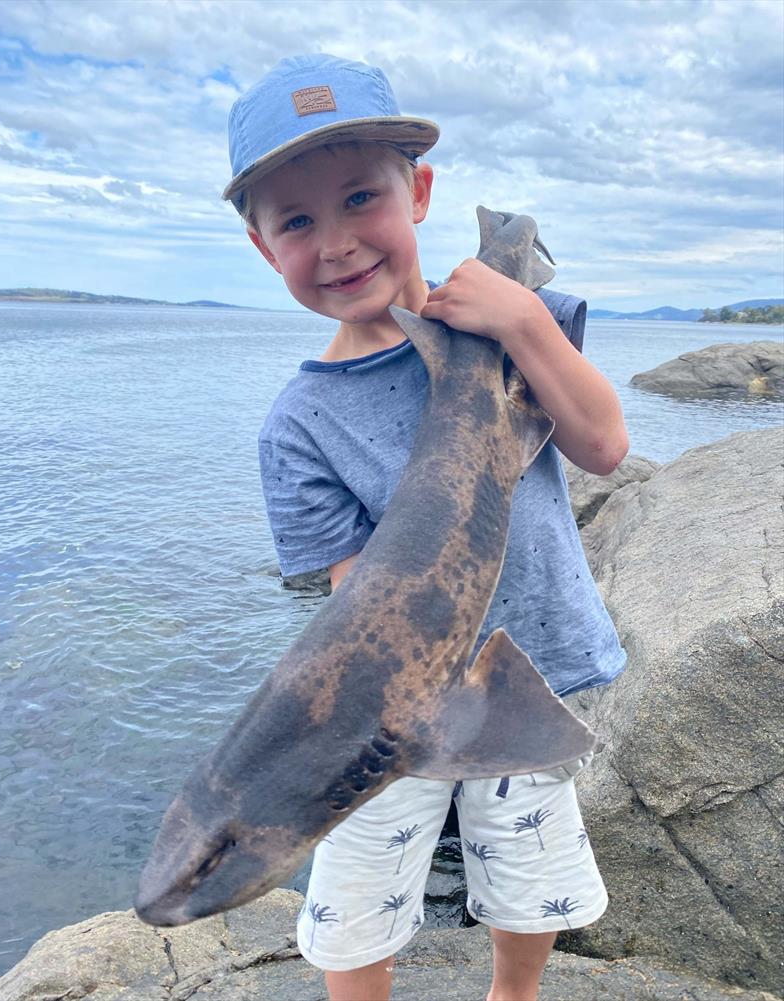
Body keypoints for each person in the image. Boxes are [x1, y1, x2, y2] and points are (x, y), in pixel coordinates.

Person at [222, 53, 628, 1001]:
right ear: (262, 246)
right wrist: (384, 724)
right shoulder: (299, 425)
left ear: (420, 194)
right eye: (296, 220)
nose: (336, 241)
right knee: (355, 897)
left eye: (361, 197)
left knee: (529, 891)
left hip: (536, 671)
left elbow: (604, 445)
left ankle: (510, 995)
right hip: (385, 717)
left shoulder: (509, 324)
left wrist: (525, 322)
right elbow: (354, 595)